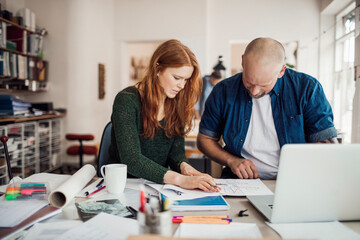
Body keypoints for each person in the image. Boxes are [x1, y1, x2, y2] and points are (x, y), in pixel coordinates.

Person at [197, 37, 338, 180]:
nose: (254, 92)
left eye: (264, 85)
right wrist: (231, 161)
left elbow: (326, 144)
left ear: (282, 70)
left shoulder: (307, 88)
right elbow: (205, 139)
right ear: (243, 61)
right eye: (249, 82)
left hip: (296, 179)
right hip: (240, 181)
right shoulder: (223, 91)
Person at [108, 39, 218, 192]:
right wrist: (180, 179)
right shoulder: (127, 100)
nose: (182, 85)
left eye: (186, 80)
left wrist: (185, 167)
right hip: (124, 185)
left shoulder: (176, 102)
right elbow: (132, 160)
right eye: (177, 78)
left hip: (156, 185)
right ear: (157, 69)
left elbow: (176, 153)